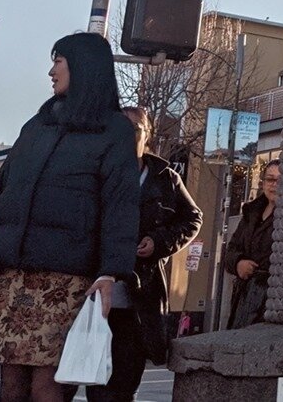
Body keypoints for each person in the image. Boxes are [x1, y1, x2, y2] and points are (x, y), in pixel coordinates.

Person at [0, 34, 139, 402]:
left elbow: (120, 204)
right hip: (15, 275)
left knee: (48, 386)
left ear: (83, 66)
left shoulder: (115, 129)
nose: (51, 71)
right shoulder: (36, 126)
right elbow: (0, 193)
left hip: (67, 280)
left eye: (59, 61)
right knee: (10, 385)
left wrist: (110, 272)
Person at [87, 108, 202, 402]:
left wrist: (159, 241)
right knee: (94, 385)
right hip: (93, 296)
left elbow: (192, 219)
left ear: (147, 135)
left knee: (123, 386)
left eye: (137, 129)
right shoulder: (94, 172)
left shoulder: (165, 177)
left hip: (139, 298)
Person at [223, 160, 279, 329]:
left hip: (271, 297)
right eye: (270, 179)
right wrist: (238, 263)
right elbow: (231, 250)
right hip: (245, 296)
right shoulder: (251, 213)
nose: (274, 185)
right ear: (263, 183)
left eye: (280, 180)